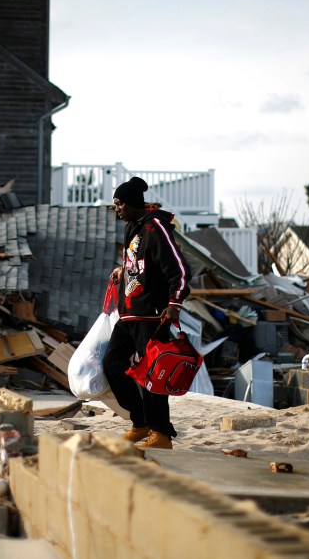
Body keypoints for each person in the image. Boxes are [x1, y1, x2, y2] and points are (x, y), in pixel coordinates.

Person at [103, 176, 191, 450]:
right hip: (129, 315)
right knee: (113, 365)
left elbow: (180, 269)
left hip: (152, 317)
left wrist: (175, 303)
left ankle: (161, 434)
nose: (116, 209)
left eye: (119, 204)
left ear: (130, 203)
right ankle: (140, 422)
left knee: (153, 375)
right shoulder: (134, 227)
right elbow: (139, 264)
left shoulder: (156, 228)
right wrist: (123, 270)